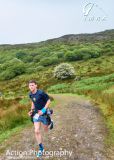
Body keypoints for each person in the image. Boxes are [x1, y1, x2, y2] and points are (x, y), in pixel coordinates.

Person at [28, 80, 53, 158]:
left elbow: (48, 101)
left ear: (36, 85)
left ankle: (50, 121)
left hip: (44, 113)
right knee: (36, 131)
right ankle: (41, 148)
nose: (31, 87)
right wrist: (31, 111)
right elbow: (33, 102)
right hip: (36, 114)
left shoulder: (41, 93)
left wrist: (43, 110)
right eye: (29, 85)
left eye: (32, 85)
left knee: (46, 129)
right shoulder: (30, 94)